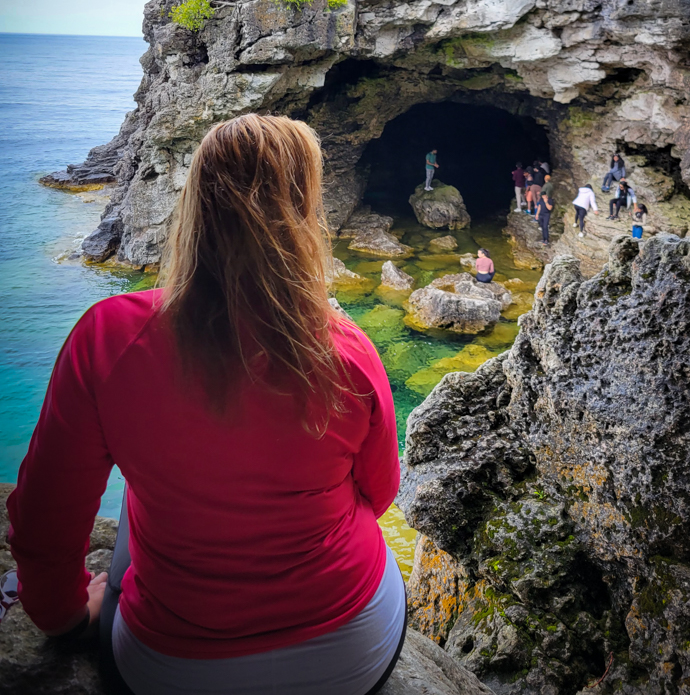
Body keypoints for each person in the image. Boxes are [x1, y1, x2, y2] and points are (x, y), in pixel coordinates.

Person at [7, 114, 405, 695]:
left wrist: (65, 616)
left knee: (136, 515)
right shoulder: (346, 349)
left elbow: (45, 516)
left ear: (195, 203)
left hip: (173, 667)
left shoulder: (108, 337)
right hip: (351, 649)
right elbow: (380, 492)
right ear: (305, 214)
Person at [535, 175, 554, 245]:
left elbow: (549, 208)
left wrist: (546, 201)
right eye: (542, 196)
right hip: (541, 214)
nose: (543, 197)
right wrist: (537, 214)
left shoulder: (550, 200)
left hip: (546, 214)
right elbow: (539, 206)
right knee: (542, 226)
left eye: (544, 196)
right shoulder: (541, 199)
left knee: (545, 227)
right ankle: (543, 239)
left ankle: (546, 240)